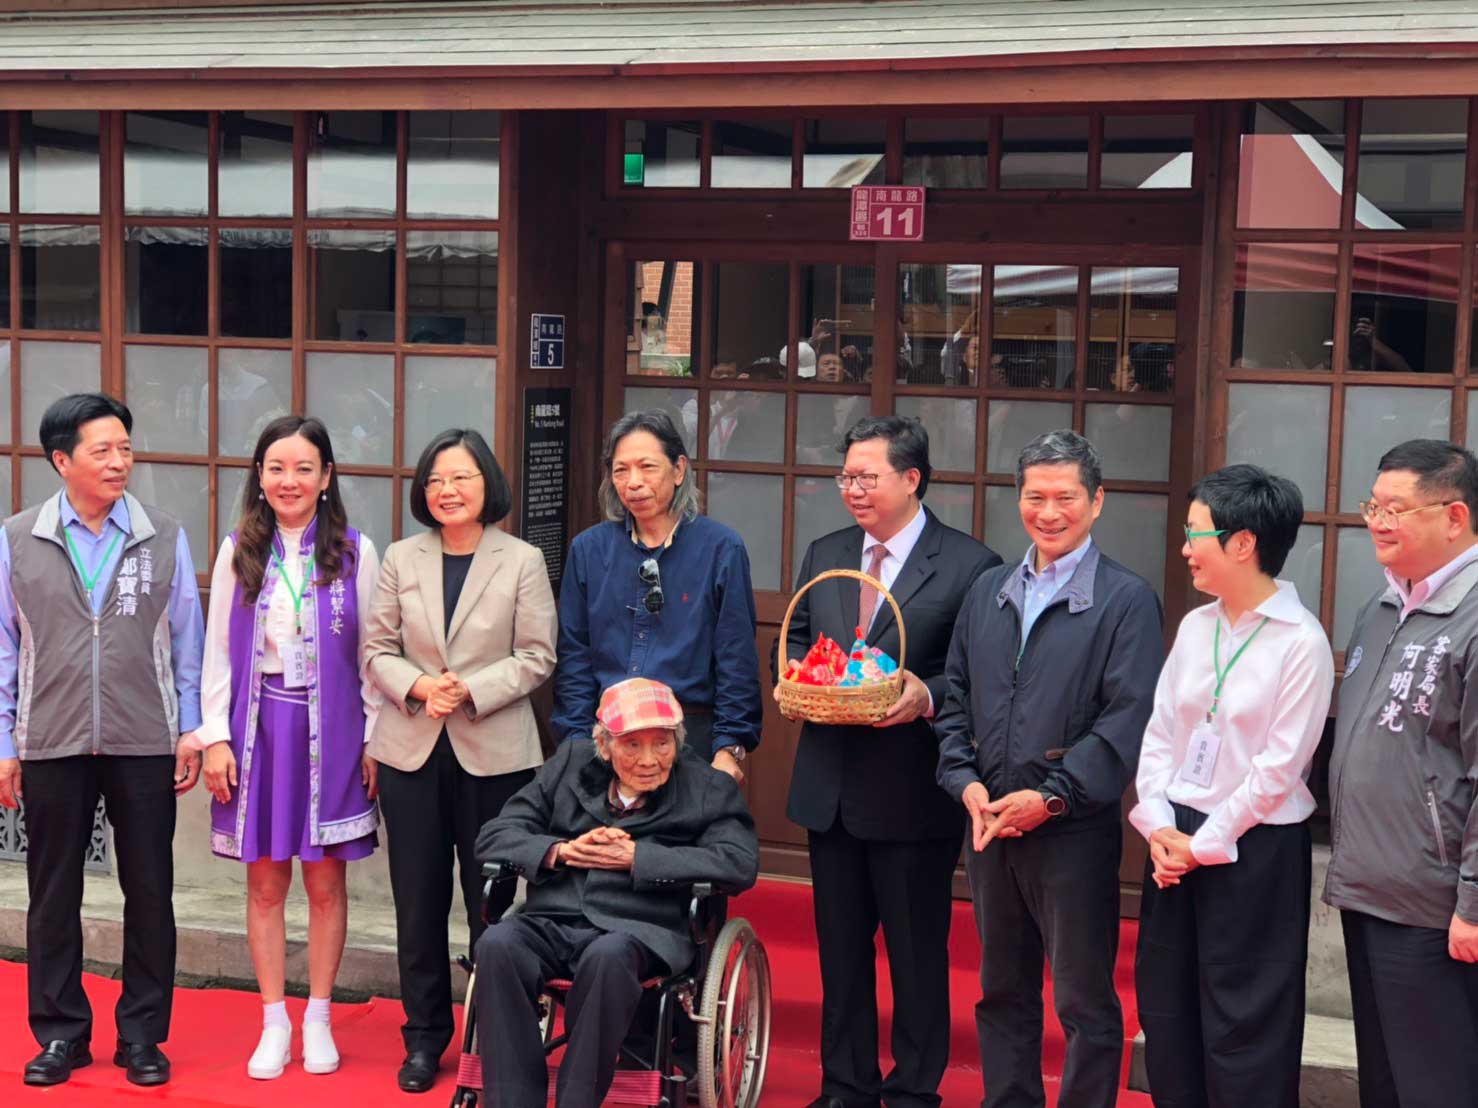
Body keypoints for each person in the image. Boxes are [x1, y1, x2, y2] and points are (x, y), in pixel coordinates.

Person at [777, 414, 1001, 1108]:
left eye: (866, 477)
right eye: (845, 476)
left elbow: (974, 677)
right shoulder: (827, 551)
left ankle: (911, 1091)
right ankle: (845, 1085)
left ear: (911, 477)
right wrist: (796, 673)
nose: (852, 489)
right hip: (830, 789)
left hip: (911, 793)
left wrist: (925, 694)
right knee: (840, 957)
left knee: (915, 956)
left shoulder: (969, 565)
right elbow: (808, 636)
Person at [935, 429, 1163, 1108]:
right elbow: (955, 701)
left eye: (1066, 496)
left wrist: (1054, 797)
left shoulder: (1126, 600)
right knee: (1002, 990)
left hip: (1072, 831)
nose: (1050, 511)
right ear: (1019, 499)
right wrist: (965, 783)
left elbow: (1126, 721)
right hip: (990, 825)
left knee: (1083, 999)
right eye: (1036, 496)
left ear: (1097, 501)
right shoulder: (989, 591)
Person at [0, 393, 204, 1088]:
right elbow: (2, 650)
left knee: (150, 890)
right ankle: (61, 1035)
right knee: (52, 892)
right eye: (102, 450)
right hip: (50, 739)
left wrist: (191, 732)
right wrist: (5, 742)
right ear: (61, 460)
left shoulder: (164, 535)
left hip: (144, 738)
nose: (120, 462)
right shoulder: (18, 537)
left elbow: (189, 646)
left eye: (125, 448)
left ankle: (143, 1036)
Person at [1130, 464, 1334, 1108]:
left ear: (1242, 543)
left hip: (1255, 850)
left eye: (1196, 533)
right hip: (1175, 841)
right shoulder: (1197, 626)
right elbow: (1160, 735)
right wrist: (1160, 826)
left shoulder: (1302, 642)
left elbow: (1279, 769)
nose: (1185, 547)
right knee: (1168, 1013)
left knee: (1246, 1026)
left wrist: (1204, 843)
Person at [362, 429, 557, 1094]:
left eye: (462, 478)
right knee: (416, 900)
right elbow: (375, 647)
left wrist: (468, 689)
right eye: (437, 480)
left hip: (495, 753)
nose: (448, 491)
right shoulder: (400, 557)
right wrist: (419, 686)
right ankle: (423, 1039)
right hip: (411, 748)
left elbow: (537, 655)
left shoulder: (522, 559)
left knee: (493, 902)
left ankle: (493, 1036)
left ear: (488, 486)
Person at [197, 416, 383, 1080]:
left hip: (332, 729)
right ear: (259, 475)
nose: (290, 480)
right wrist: (214, 735)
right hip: (260, 730)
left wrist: (372, 737)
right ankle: (274, 1019)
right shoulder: (238, 549)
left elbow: (372, 655)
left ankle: (320, 1016)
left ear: (327, 477)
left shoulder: (358, 551)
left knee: (327, 882)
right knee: (266, 881)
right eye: (277, 467)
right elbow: (215, 649)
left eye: (305, 468)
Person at [473, 677, 758, 1108]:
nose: (649, 760)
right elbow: (495, 835)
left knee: (607, 957)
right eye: (632, 746)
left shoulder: (704, 787)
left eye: (662, 744)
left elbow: (738, 862)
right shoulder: (569, 765)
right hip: (555, 918)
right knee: (497, 944)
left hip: (639, 927)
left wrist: (639, 858)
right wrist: (561, 851)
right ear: (604, 746)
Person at [1323, 439, 1478, 1108]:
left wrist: (1473, 904)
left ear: (1455, 516)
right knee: (1383, 1082)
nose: (1378, 521)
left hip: (1435, 903)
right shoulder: (1380, 608)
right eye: (1373, 506)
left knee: (1436, 1084)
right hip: (1370, 887)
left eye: (1397, 509)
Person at [553, 410, 761, 779]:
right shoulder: (588, 550)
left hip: (689, 735)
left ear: (679, 470)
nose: (633, 482)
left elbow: (736, 658)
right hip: (606, 737)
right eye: (621, 470)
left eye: (647, 467)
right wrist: (576, 741)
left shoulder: (721, 548)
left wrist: (729, 747)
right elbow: (575, 654)